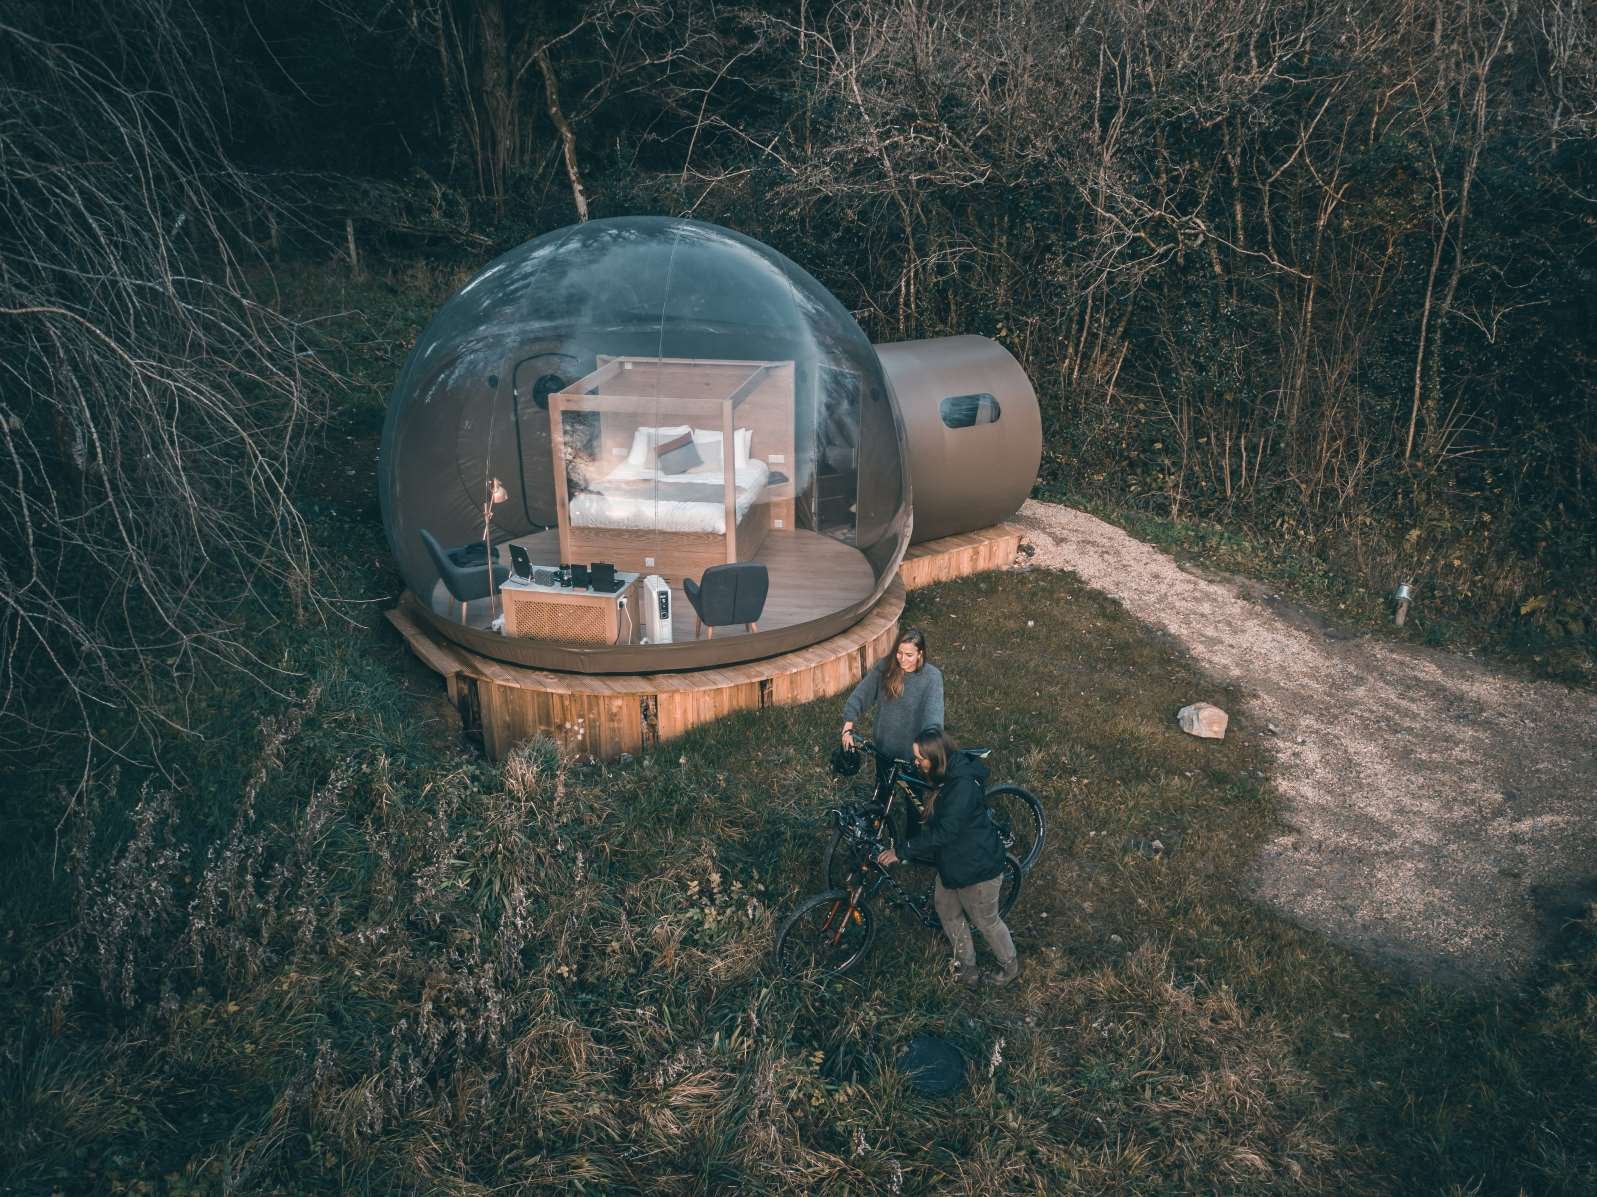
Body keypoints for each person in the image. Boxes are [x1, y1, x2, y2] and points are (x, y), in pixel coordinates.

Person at [877, 728, 1020, 987]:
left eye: (920, 758)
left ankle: (1009, 968)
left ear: (936, 757)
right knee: (947, 910)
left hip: (978, 870)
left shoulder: (961, 788)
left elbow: (944, 833)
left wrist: (902, 850)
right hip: (953, 864)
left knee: (986, 922)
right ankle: (968, 968)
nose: (916, 763)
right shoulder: (944, 774)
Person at [840, 627, 944, 833]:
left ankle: (910, 845)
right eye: (899, 652)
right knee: (881, 794)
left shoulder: (932, 678)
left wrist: (924, 751)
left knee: (913, 802)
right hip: (885, 748)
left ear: (921, 654)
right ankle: (874, 837)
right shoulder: (886, 668)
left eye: (909, 655)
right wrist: (848, 725)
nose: (902, 659)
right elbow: (862, 694)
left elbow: (934, 718)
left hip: (912, 755)